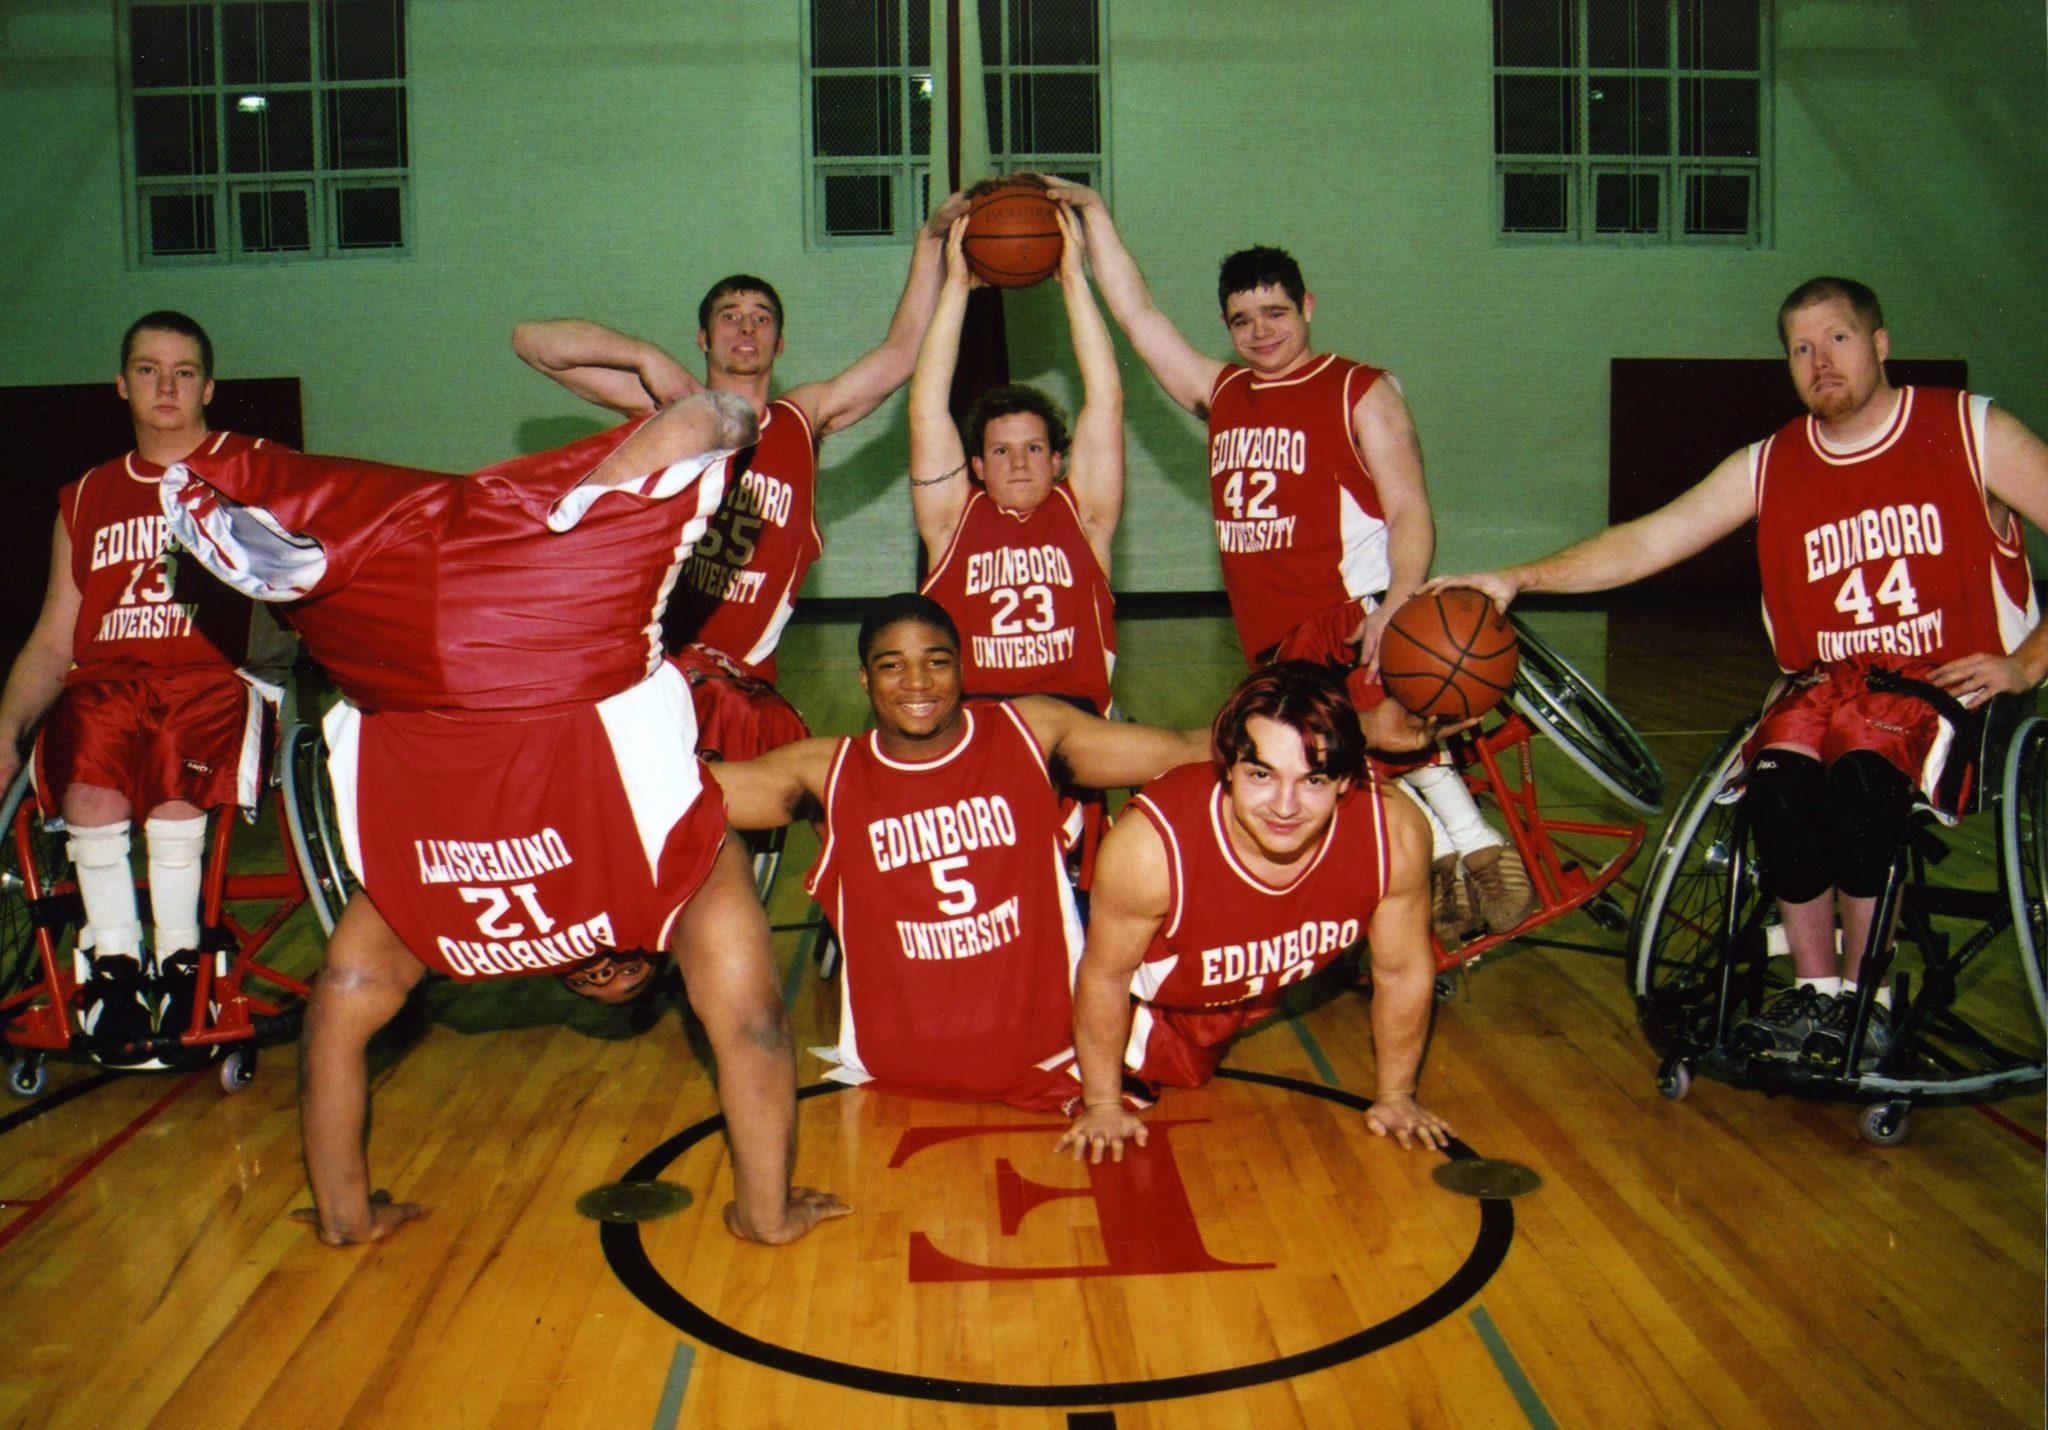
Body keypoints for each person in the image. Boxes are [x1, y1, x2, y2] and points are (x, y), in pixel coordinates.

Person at [160, 391, 844, 1247]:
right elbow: (751, 1024)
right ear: (654, 951)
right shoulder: (666, 878)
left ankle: (329, 542)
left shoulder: (442, 917)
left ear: (558, 976)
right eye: (627, 973)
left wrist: (347, 1215)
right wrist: (766, 1213)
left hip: (423, 667)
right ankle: (331, 545)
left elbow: (336, 1014)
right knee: (704, 436)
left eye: (595, 979)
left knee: (714, 424)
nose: (606, 967)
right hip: (539, 648)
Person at [1432, 276, 2048, 1068]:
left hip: (1950, 689)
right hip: (1829, 689)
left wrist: (2027, 663)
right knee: (1779, 789)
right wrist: (1519, 578)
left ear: (1880, 343)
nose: (1820, 361)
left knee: (1862, 782)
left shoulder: (1969, 428)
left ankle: (1868, 1000)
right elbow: (1646, 541)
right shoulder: (1772, 463)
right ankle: (1816, 993)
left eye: (1838, 339)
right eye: (1800, 348)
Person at [714, 595, 1443, 1110]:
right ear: (863, 678)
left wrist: (1360, 728)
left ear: (963, 666)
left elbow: (1184, 748)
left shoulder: (1028, 733)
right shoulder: (826, 771)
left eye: (936, 661)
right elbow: (694, 800)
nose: (917, 683)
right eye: (892, 665)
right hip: (898, 1059)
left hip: (1050, 1048)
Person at [1042, 181, 1536, 934]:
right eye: (1242, 320)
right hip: (1274, 634)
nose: (1260, 331)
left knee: (1380, 739)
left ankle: (1476, 847)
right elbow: (1138, 317)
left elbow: (1409, 506)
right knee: (1342, 760)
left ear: (1307, 305)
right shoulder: (1223, 392)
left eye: (1275, 312)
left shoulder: (1358, 389)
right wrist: (1097, 219)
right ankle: (1441, 858)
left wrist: (1399, 604)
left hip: (1353, 610)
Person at [511, 191, 965, 762]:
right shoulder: (670, 413)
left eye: (761, 318)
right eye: (729, 316)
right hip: (654, 674)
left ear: (780, 342)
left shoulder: (802, 419)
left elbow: (902, 352)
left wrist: (929, 240)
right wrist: (643, 355)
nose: (746, 327)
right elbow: (531, 342)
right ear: (703, 339)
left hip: (741, 692)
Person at [0, 311, 287, 1064]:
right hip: (105, 686)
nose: (166, 385)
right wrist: (4, 731)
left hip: (208, 680)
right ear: (122, 384)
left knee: (171, 785)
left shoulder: (252, 470)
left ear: (208, 388)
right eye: (148, 370)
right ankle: (116, 970)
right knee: (88, 777)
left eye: (183, 372)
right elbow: (53, 640)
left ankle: (185, 962)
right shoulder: (85, 496)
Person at [1056, 662, 1452, 1163]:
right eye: (1261, 775)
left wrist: (1396, 1095)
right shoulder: (1151, 848)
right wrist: (1102, 1103)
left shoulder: (1391, 832)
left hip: (1239, 985)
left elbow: (1401, 970)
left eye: (1313, 780)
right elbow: (1104, 975)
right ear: (1227, 766)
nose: (1284, 806)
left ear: (1346, 780)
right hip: (1143, 996)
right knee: (1020, 1069)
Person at [911, 198, 1119, 716]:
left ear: (1057, 462)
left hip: (1075, 719)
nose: (1019, 462)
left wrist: (1074, 280)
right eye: (1001, 450)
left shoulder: (1085, 515)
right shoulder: (952, 520)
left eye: (1034, 448)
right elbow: (927, 407)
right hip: (977, 717)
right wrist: (956, 288)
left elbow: (1106, 398)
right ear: (977, 468)